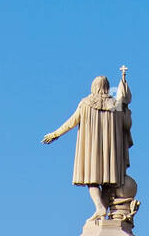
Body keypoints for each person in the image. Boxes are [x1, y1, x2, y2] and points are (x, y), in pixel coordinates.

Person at [43, 69, 133, 218]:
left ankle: (99, 208)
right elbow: (126, 126)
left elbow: (71, 122)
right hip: (111, 154)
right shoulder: (115, 105)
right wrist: (125, 109)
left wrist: (55, 134)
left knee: (92, 181)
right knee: (109, 183)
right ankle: (101, 210)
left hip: (93, 151)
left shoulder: (85, 104)